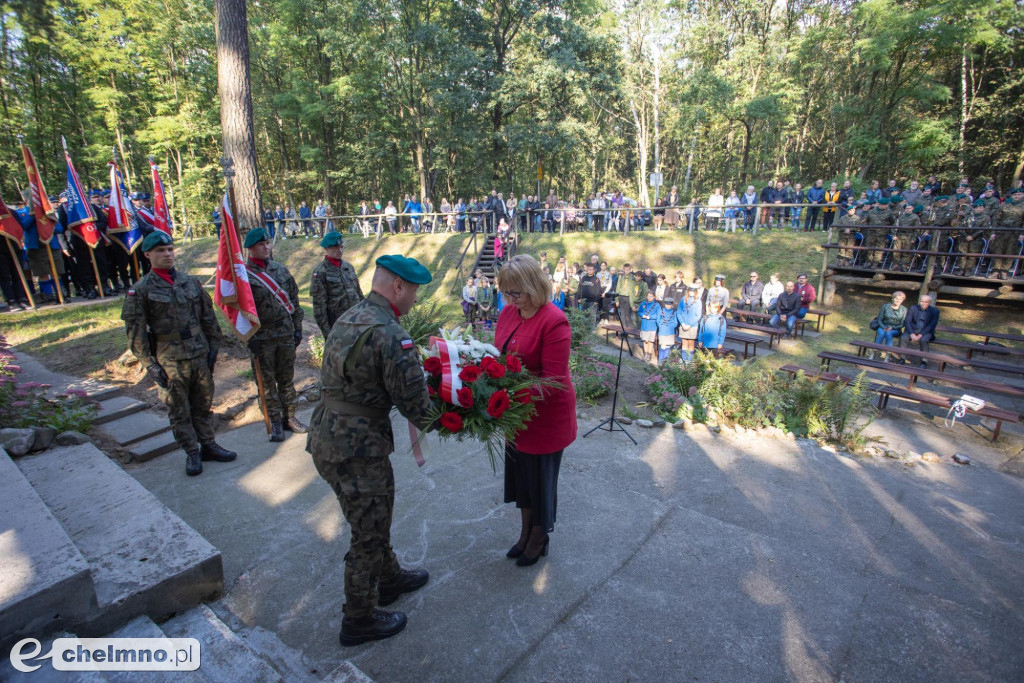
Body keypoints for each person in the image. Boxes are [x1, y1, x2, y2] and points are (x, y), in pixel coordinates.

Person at [307, 254, 435, 646]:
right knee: (369, 532)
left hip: (328, 438)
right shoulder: (391, 333)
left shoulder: (352, 315)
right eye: (412, 290)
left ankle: (390, 578)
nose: (414, 298)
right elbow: (416, 405)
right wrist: (459, 407)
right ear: (397, 286)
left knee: (371, 519)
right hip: (358, 448)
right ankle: (358, 618)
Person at [120, 231, 236, 476]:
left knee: (203, 403)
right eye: (161, 251)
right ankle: (191, 451)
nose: (167, 254)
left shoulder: (190, 282)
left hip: (198, 354)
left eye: (170, 249)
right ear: (148, 254)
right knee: (178, 408)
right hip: (169, 359)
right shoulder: (140, 290)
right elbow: (136, 332)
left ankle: (208, 444)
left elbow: (208, 317)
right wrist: (149, 364)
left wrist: (214, 347)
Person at [494, 254, 576, 567]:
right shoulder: (509, 313)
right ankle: (525, 530)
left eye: (516, 293)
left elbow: (553, 380)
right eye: (506, 293)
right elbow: (499, 356)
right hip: (516, 415)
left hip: (546, 417)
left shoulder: (554, 320)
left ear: (533, 286)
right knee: (521, 478)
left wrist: (510, 394)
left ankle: (540, 535)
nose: (510, 300)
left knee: (540, 481)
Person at [244, 228, 306, 442]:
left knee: (287, 379)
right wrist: (247, 338)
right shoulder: (243, 276)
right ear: (251, 248)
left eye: (268, 243)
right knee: (267, 382)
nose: (266, 247)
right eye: (261, 245)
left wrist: (297, 327)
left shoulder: (281, 270)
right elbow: (239, 311)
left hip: (285, 334)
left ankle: (290, 417)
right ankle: (275, 421)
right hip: (261, 338)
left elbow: (295, 301)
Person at [311, 231, 364, 339]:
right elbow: (319, 307)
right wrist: (328, 334)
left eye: (341, 247)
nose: (340, 250)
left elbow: (359, 293)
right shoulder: (321, 272)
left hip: (357, 323)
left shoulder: (348, 267)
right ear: (326, 249)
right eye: (335, 247)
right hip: (338, 326)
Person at [897, 295, 939, 367]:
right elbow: (907, 321)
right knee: (903, 338)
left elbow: (932, 325)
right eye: (922, 301)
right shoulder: (913, 308)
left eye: (926, 302)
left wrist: (921, 334)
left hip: (926, 331)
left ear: (929, 303)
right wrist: (912, 333)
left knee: (923, 340)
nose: (923, 303)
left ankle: (924, 361)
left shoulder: (935, 311)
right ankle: (902, 358)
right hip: (913, 330)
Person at [870, 291, 907, 359]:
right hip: (883, 326)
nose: (898, 300)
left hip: (895, 328)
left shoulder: (904, 309)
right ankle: (874, 352)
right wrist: (883, 327)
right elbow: (879, 319)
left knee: (889, 334)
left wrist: (892, 327)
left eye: (900, 299)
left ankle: (887, 353)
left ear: (902, 300)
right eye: (896, 298)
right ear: (893, 298)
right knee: (881, 333)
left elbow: (902, 323)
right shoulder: (885, 307)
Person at [675, 284, 702, 362]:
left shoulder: (698, 301)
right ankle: (684, 359)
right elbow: (679, 312)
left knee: (691, 343)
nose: (691, 293)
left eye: (693, 291)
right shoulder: (683, 299)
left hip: (692, 326)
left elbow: (698, 315)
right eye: (690, 291)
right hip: (683, 325)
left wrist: (689, 325)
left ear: (696, 292)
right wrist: (682, 323)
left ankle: (689, 360)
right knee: (684, 343)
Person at [638, 290, 660, 363]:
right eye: (648, 296)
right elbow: (639, 311)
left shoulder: (657, 305)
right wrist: (642, 315)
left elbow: (658, 315)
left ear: (654, 297)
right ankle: (645, 354)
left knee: (650, 341)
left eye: (651, 296)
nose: (649, 298)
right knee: (645, 340)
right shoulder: (643, 303)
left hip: (652, 326)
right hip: (644, 325)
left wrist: (650, 317)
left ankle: (649, 355)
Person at [656, 297, 677, 364]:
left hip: (670, 331)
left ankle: (665, 361)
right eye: (667, 304)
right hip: (663, 331)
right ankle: (660, 361)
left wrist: (672, 326)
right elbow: (658, 320)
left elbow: (675, 322)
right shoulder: (661, 311)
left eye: (669, 304)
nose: (668, 306)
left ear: (672, 304)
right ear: (665, 304)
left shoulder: (674, 312)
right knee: (663, 346)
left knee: (668, 346)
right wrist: (661, 326)